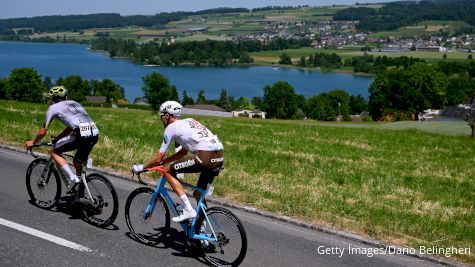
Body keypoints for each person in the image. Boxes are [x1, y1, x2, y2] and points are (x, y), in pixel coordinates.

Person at [132, 100, 224, 222]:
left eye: (162, 116)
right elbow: (182, 153)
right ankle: (201, 226)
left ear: (167, 115)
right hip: (219, 157)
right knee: (198, 194)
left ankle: (188, 209)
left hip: (205, 156)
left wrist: (141, 167)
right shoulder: (189, 121)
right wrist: (164, 161)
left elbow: (158, 156)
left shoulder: (171, 127)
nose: (162, 119)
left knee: (168, 172)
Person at [26, 86, 99, 192]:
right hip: (94, 133)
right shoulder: (75, 103)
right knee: (78, 162)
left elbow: (43, 131)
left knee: (55, 151)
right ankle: (79, 191)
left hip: (81, 134)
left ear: (53, 99)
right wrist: (59, 138)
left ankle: (73, 179)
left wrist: (32, 142)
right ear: (66, 96)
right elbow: (71, 126)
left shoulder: (53, 108)